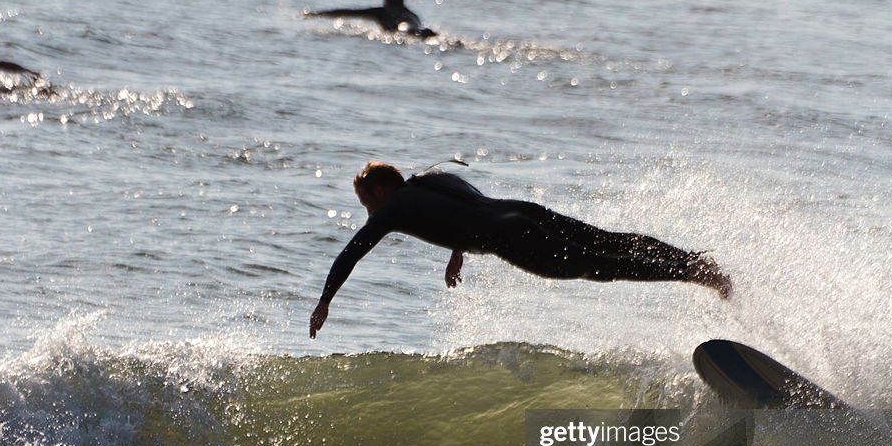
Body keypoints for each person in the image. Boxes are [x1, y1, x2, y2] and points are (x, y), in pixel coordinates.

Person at [309, 161, 732, 338]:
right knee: (608, 240)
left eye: (367, 201)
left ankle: (692, 274)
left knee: (597, 266)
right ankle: (691, 259)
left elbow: (351, 253)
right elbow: (458, 210)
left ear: (380, 190)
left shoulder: (389, 211)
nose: (368, 210)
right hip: (519, 211)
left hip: (508, 238)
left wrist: (325, 300)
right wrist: (457, 249)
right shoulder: (430, 179)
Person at [304, 0, 436, 38]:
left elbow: (347, 12)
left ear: (386, 2)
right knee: (410, 29)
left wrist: (317, 14)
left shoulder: (382, 12)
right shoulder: (412, 14)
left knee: (404, 29)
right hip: (414, 27)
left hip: (405, 28)